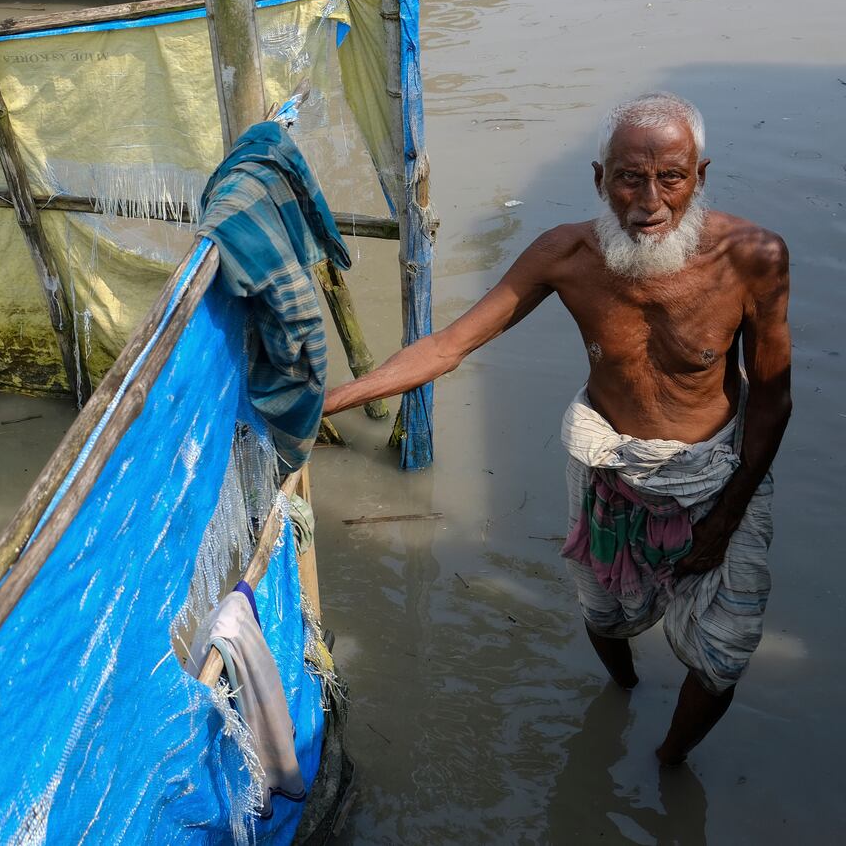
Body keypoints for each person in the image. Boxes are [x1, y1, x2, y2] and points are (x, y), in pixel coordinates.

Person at [323, 92, 790, 764]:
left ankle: (668, 759)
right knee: (602, 615)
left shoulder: (752, 258)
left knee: (722, 659)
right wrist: (332, 400)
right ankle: (623, 686)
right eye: (629, 177)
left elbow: (773, 398)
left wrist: (725, 516)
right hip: (608, 465)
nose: (649, 200)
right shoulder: (565, 255)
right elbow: (449, 345)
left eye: (671, 178)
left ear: (700, 177)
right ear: (600, 179)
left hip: (719, 472)